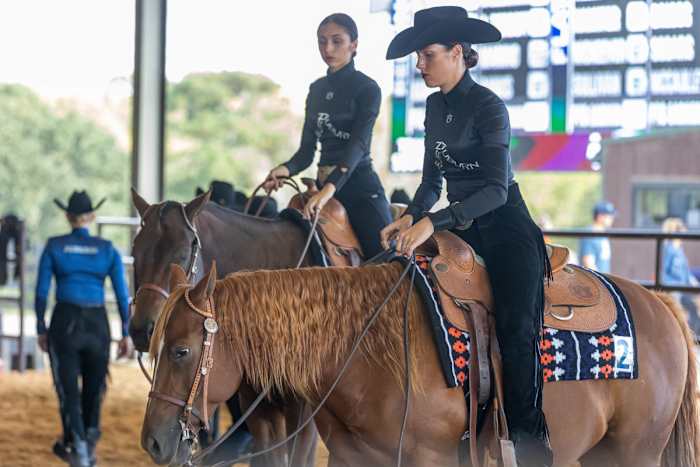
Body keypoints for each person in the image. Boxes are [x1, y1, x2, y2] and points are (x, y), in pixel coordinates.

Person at [381, 6, 551, 466]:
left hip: (506, 227)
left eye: (428, 54)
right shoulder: (435, 107)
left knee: (517, 330)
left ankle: (530, 446)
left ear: (457, 52)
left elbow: (495, 190)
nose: (420, 65)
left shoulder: (489, 106)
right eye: (418, 56)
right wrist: (410, 216)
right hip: (461, 227)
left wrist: (432, 222)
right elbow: (431, 183)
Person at [264, 12, 392, 258]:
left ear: (354, 45)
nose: (328, 48)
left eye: (337, 41)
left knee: (386, 259)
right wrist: (285, 169)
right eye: (322, 41)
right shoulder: (316, 89)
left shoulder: (367, 88)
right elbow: (306, 152)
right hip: (321, 188)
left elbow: (358, 145)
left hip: (360, 189)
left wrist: (330, 188)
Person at [35, 191, 130, 467]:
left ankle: (78, 447)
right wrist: (125, 332)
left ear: (67, 216)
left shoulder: (54, 246)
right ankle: (88, 442)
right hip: (98, 323)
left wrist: (41, 327)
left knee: (68, 390)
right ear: (91, 217)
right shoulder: (108, 249)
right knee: (95, 387)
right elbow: (122, 295)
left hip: (65, 320)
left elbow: (41, 293)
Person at [661, 218, 700, 334]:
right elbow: (664, 271)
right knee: (676, 312)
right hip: (674, 289)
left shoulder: (679, 250)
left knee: (692, 306)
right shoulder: (669, 249)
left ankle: (694, 335)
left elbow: (686, 271)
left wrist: (695, 284)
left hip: (683, 288)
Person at [580, 201, 615, 273]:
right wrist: (601, 281)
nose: (612, 218)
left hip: (602, 279)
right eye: (609, 216)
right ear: (600, 216)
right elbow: (588, 262)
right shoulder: (590, 233)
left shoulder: (603, 234)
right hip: (594, 281)